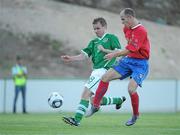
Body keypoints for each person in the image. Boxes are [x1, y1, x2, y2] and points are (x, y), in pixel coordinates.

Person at [86, 8, 150, 126]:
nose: (122, 22)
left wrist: (114, 54)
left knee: (131, 89)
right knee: (105, 78)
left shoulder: (141, 31)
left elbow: (132, 48)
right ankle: (95, 106)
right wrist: (119, 55)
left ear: (130, 18)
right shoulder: (126, 28)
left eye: (123, 19)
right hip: (128, 60)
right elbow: (128, 49)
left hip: (140, 64)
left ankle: (135, 115)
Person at [61, 17, 126, 126]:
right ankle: (118, 100)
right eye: (94, 29)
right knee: (94, 99)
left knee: (85, 94)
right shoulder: (93, 42)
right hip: (95, 71)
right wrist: (71, 58)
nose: (96, 31)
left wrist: (104, 50)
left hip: (103, 70)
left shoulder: (111, 38)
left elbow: (119, 52)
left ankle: (76, 120)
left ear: (105, 27)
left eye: (98, 28)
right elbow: (83, 56)